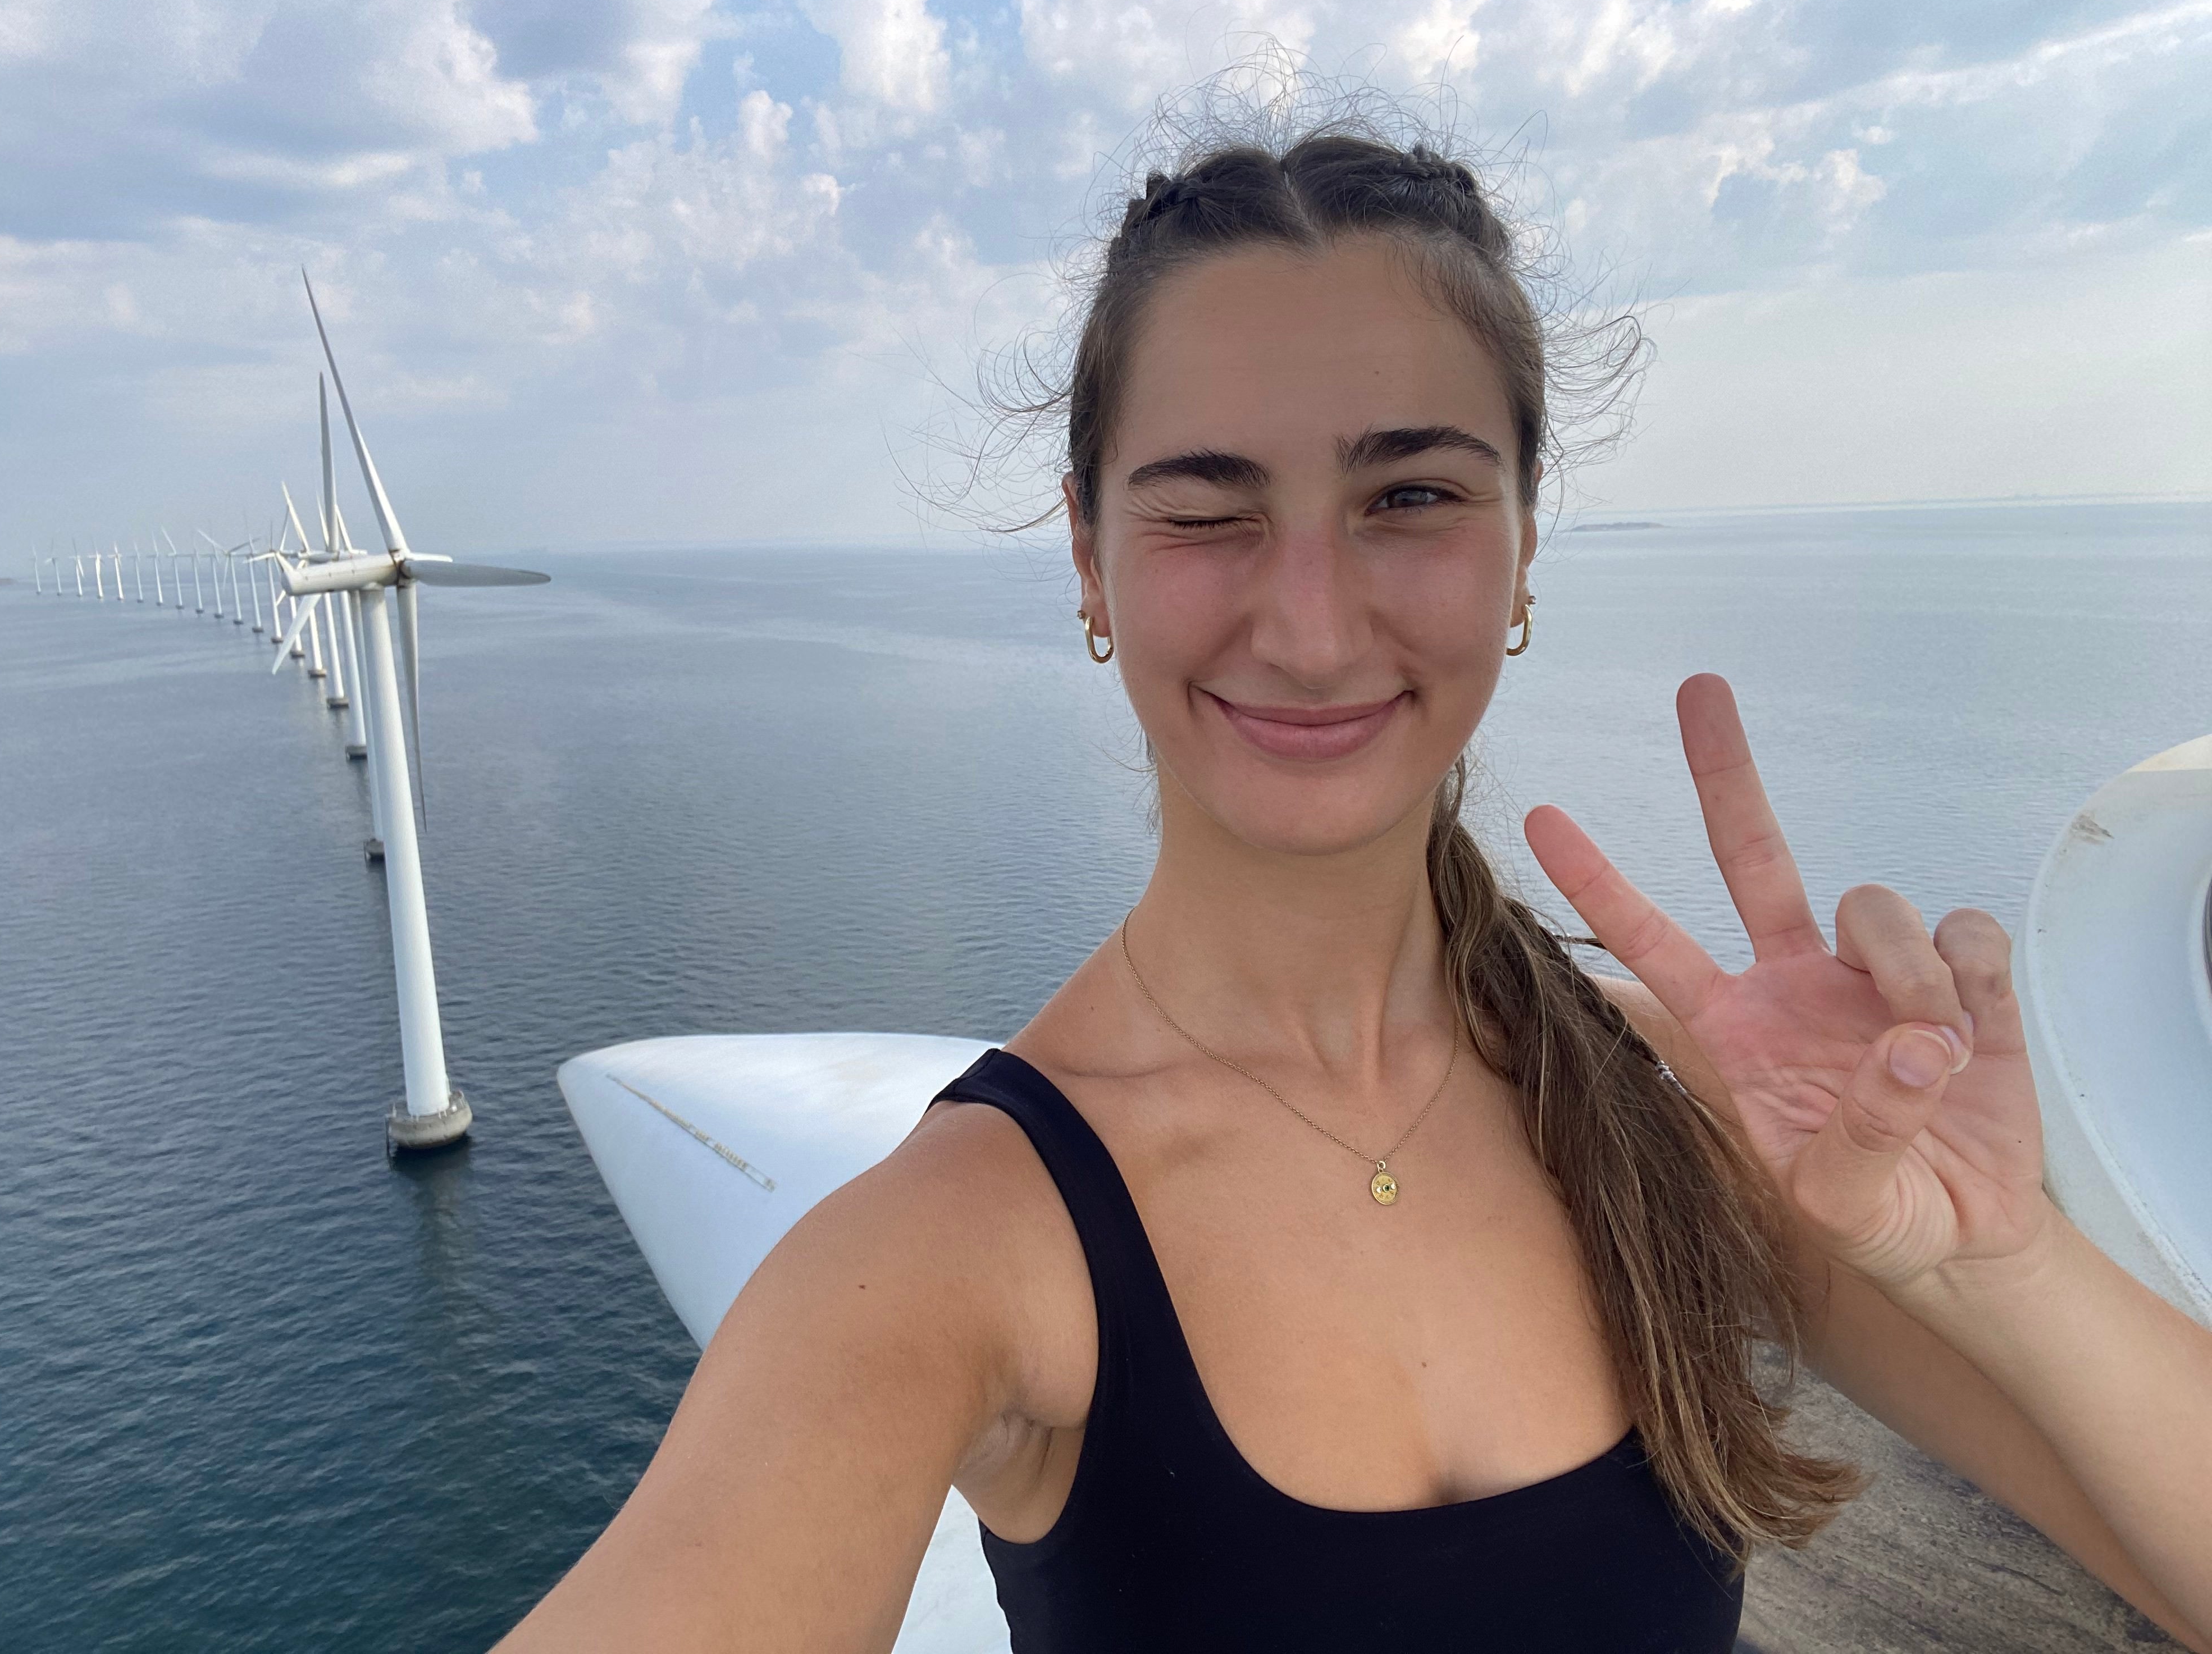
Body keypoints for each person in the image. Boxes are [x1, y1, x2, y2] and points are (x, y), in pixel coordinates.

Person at [497, 117, 2212, 1652]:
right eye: (1207, 513)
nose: (1313, 627)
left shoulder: (1697, 1113)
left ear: (1524, 541)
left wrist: (2000, 1262)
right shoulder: (958, 1250)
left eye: (1409, 495)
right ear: (1089, 555)